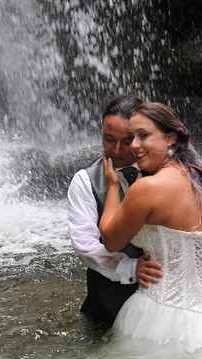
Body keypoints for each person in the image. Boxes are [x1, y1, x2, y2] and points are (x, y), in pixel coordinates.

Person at [99, 102, 202, 351]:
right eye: (131, 138)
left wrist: (113, 186)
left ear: (170, 138)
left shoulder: (148, 189)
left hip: (165, 318)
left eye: (143, 135)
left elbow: (111, 240)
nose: (134, 146)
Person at [67, 95, 163, 329]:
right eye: (109, 140)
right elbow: (85, 245)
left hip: (164, 302)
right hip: (108, 306)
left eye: (127, 140)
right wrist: (131, 269)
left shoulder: (166, 173)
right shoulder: (84, 181)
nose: (118, 150)